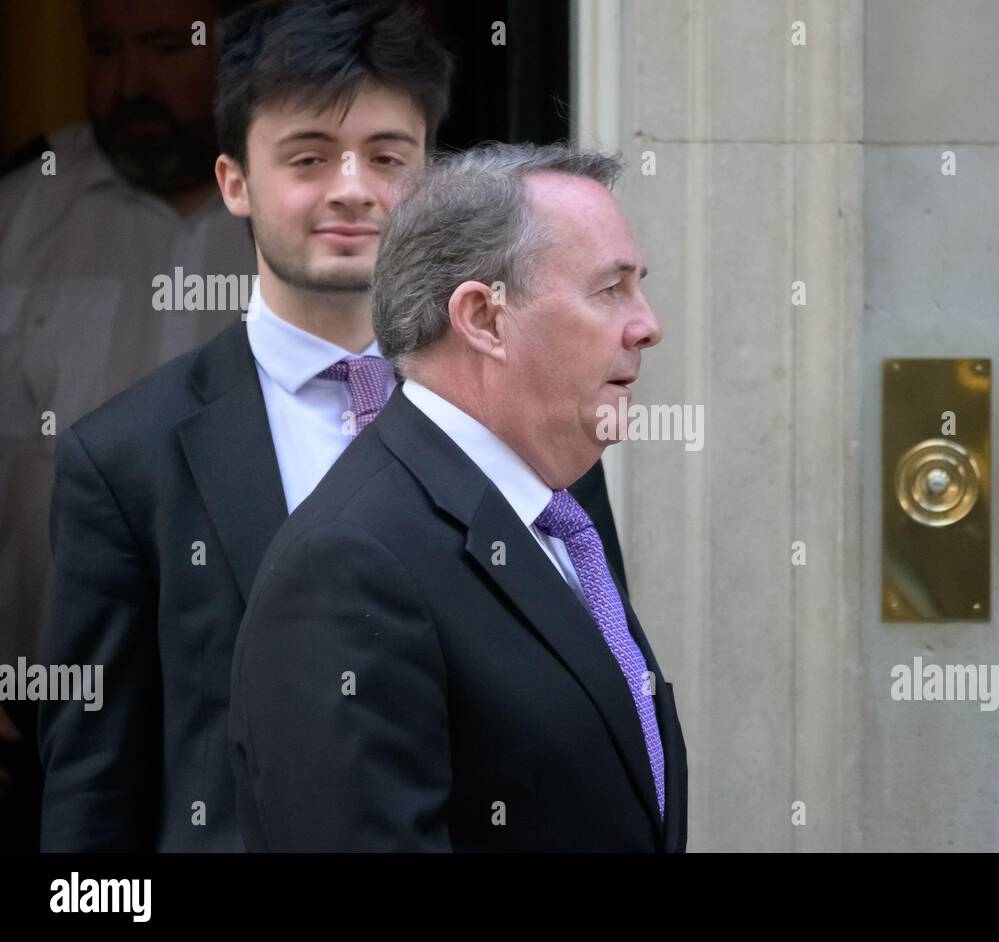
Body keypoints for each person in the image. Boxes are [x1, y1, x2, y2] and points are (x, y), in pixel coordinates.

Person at [38, 0, 624, 852]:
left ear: (433, 180)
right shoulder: (126, 457)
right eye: (308, 156)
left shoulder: (535, 417)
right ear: (235, 181)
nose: (352, 188)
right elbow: (94, 787)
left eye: (389, 157)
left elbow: (593, 693)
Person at [229, 143, 687, 852]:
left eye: (640, 285)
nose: (647, 324)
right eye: (610, 289)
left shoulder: (558, 514)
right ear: (483, 318)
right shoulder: (349, 566)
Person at [0, 0, 256, 847]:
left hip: (256, 731)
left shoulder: (310, 222)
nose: (128, 84)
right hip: (37, 728)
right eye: (103, 50)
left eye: (161, 47)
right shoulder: (22, 212)